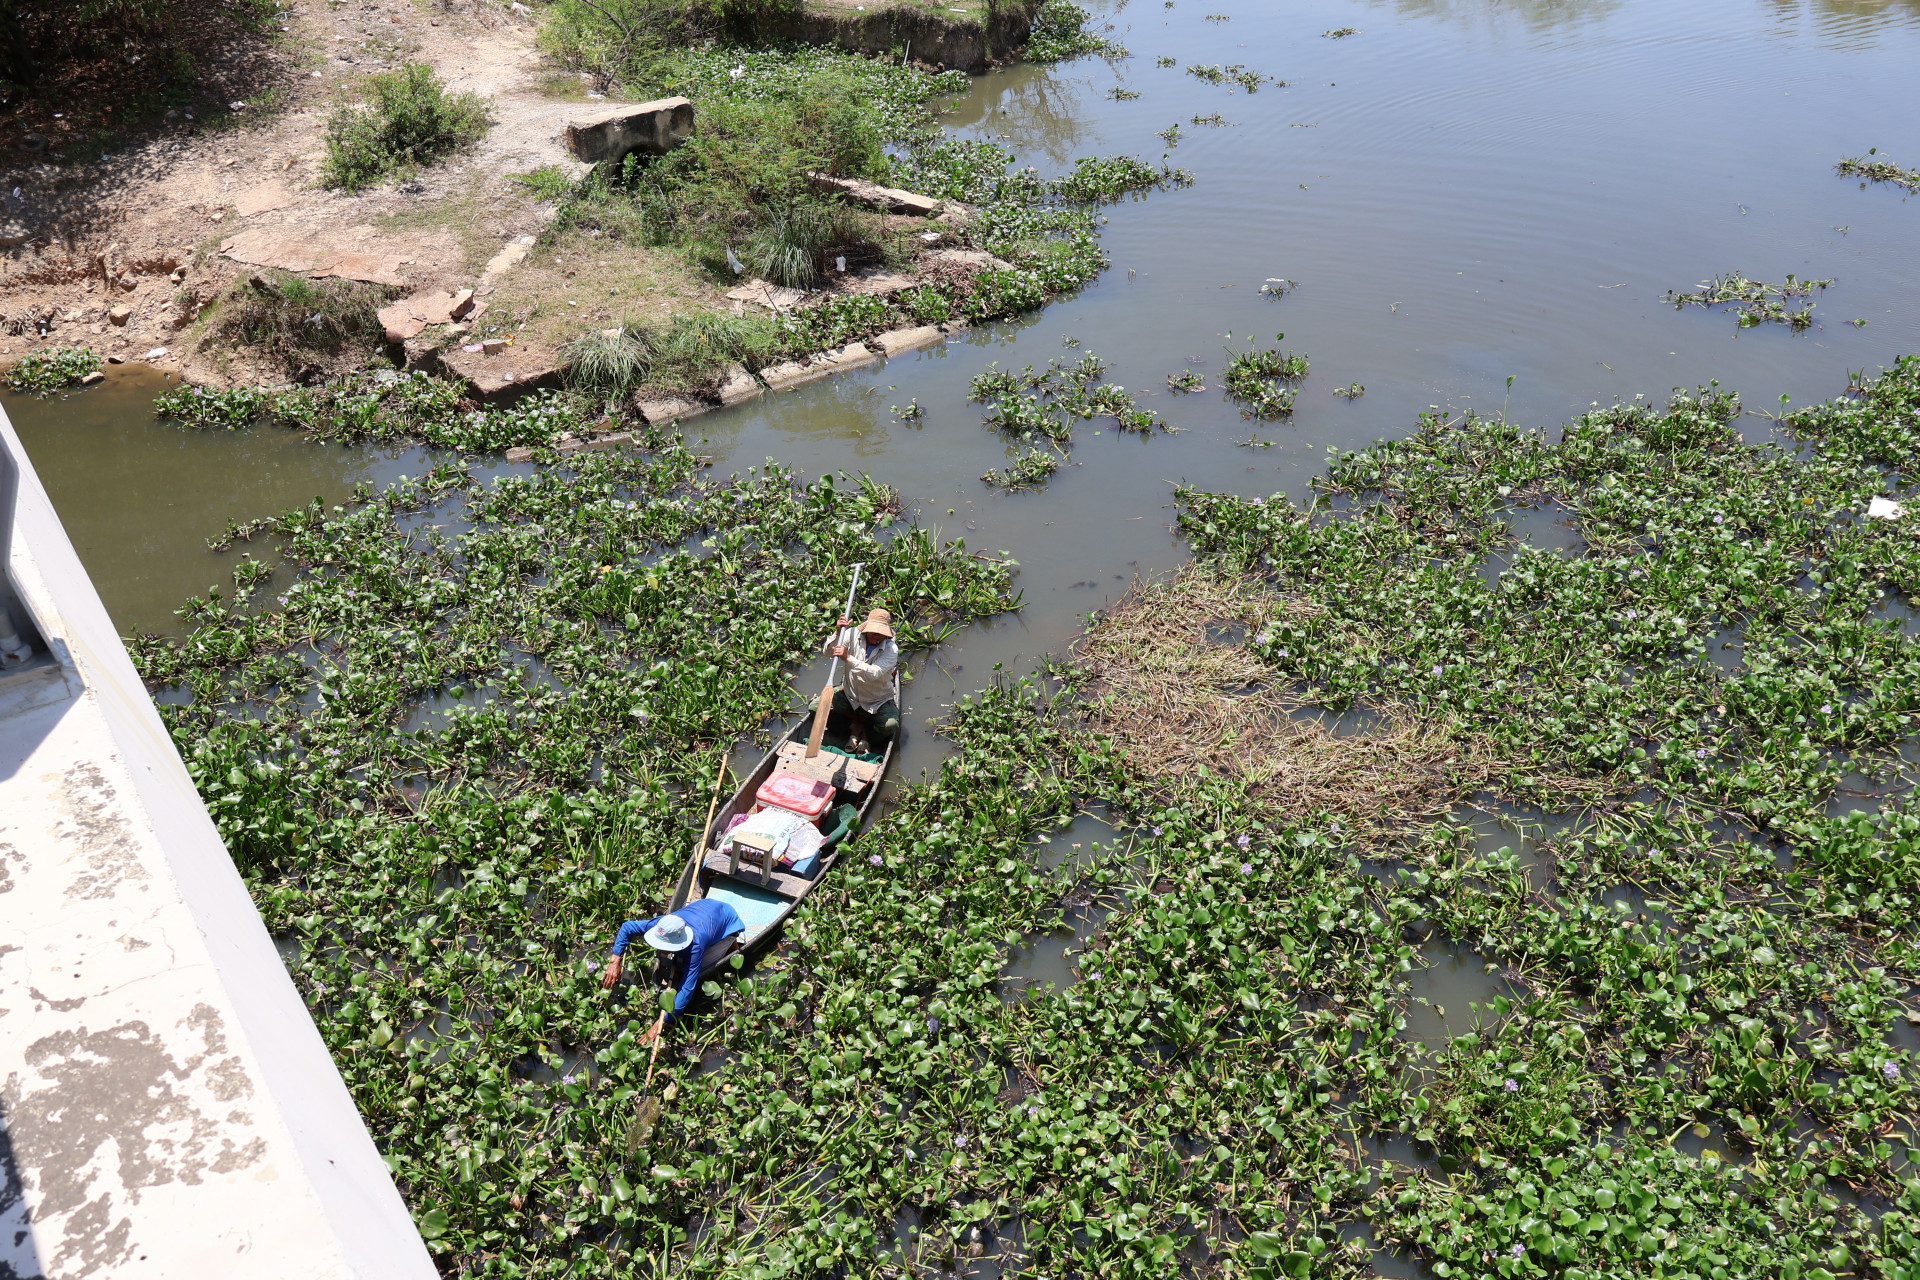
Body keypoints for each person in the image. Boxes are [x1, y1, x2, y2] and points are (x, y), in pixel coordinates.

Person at [601, 897, 744, 1042]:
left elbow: (687, 989)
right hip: (707, 906)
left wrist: (660, 1023)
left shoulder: (696, 944)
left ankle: (731, 942)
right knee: (679, 961)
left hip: (729, 919)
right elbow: (627, 927)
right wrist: (615, 961)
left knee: (697, 968)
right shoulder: (660, 925)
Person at [823, 606, 900, 747]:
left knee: (890, 725)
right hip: (850, 696)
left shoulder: (891, 649)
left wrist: (848, 658)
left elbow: (873, 673)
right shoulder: (851, 634)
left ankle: (867, 735)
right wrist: (838, 634)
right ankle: (853, 726)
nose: (877, 636)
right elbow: (827, 653)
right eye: (874, 632)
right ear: (867, 628)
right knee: (816, 708)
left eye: (881, 633)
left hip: (878, 700)